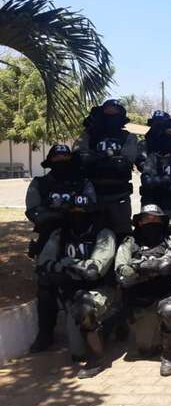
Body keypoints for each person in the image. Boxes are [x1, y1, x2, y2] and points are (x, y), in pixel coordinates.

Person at [35, 194, 116, 378]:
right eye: (73, 211)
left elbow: (95, 270)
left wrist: (65, 265)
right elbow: (44, 263)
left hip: (100, 290)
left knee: (85, 308)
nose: (78, 215)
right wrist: (73, 266)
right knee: (77, 352)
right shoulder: (60, 234)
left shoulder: (104, 235)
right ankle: (50, 335)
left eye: (83, 211)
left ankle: (98, 357)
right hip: (72, 291)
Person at [26, 145, 97, 352]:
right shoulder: (40, 183)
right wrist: (67, 212)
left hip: (80, 237)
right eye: (57, 157)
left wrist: (57, 212)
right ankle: (45, 334)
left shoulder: (83, 183)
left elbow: (92, 206)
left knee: (88, 277)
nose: (61, 160)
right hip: (49, 239)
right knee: (46, 285)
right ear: (50, 160)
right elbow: (34, 212)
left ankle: (93, 326)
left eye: (65, 157)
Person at [115, 204, 171, 377]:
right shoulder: (129, 243)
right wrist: (148, 268)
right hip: (141, 297)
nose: (151, 222)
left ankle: (169, 354)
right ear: (139, 222)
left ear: (162, 221)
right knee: (146, 349)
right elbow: (121, 271)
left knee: (169, 311)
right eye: (146, 219)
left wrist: (139, 268)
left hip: (167, 293)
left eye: (155, 219)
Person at [74, 99, 138, 239]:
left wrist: (95, 158)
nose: (111, 115)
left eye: (115, 112)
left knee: (123, 234)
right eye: (108, 112)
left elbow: (126, 162)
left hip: (119, 194)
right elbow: (79, 156)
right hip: (93, 195)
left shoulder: (129, 137)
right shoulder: (89, 135)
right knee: (91, 234)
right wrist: (111, 158)